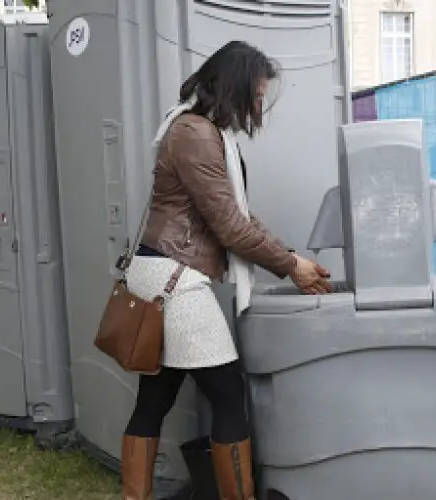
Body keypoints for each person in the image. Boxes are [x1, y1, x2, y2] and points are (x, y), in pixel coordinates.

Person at [120, 40, 332, 500]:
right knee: (228, 395)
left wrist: (292, 258)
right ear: (234, 86)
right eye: (256, 93)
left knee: (154, 401)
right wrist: (291, 265)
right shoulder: (195, 134)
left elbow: (238, 216)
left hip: (163, 272)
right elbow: (232, 227)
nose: (259, 104)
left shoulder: (199, 130)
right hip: (175, 281)